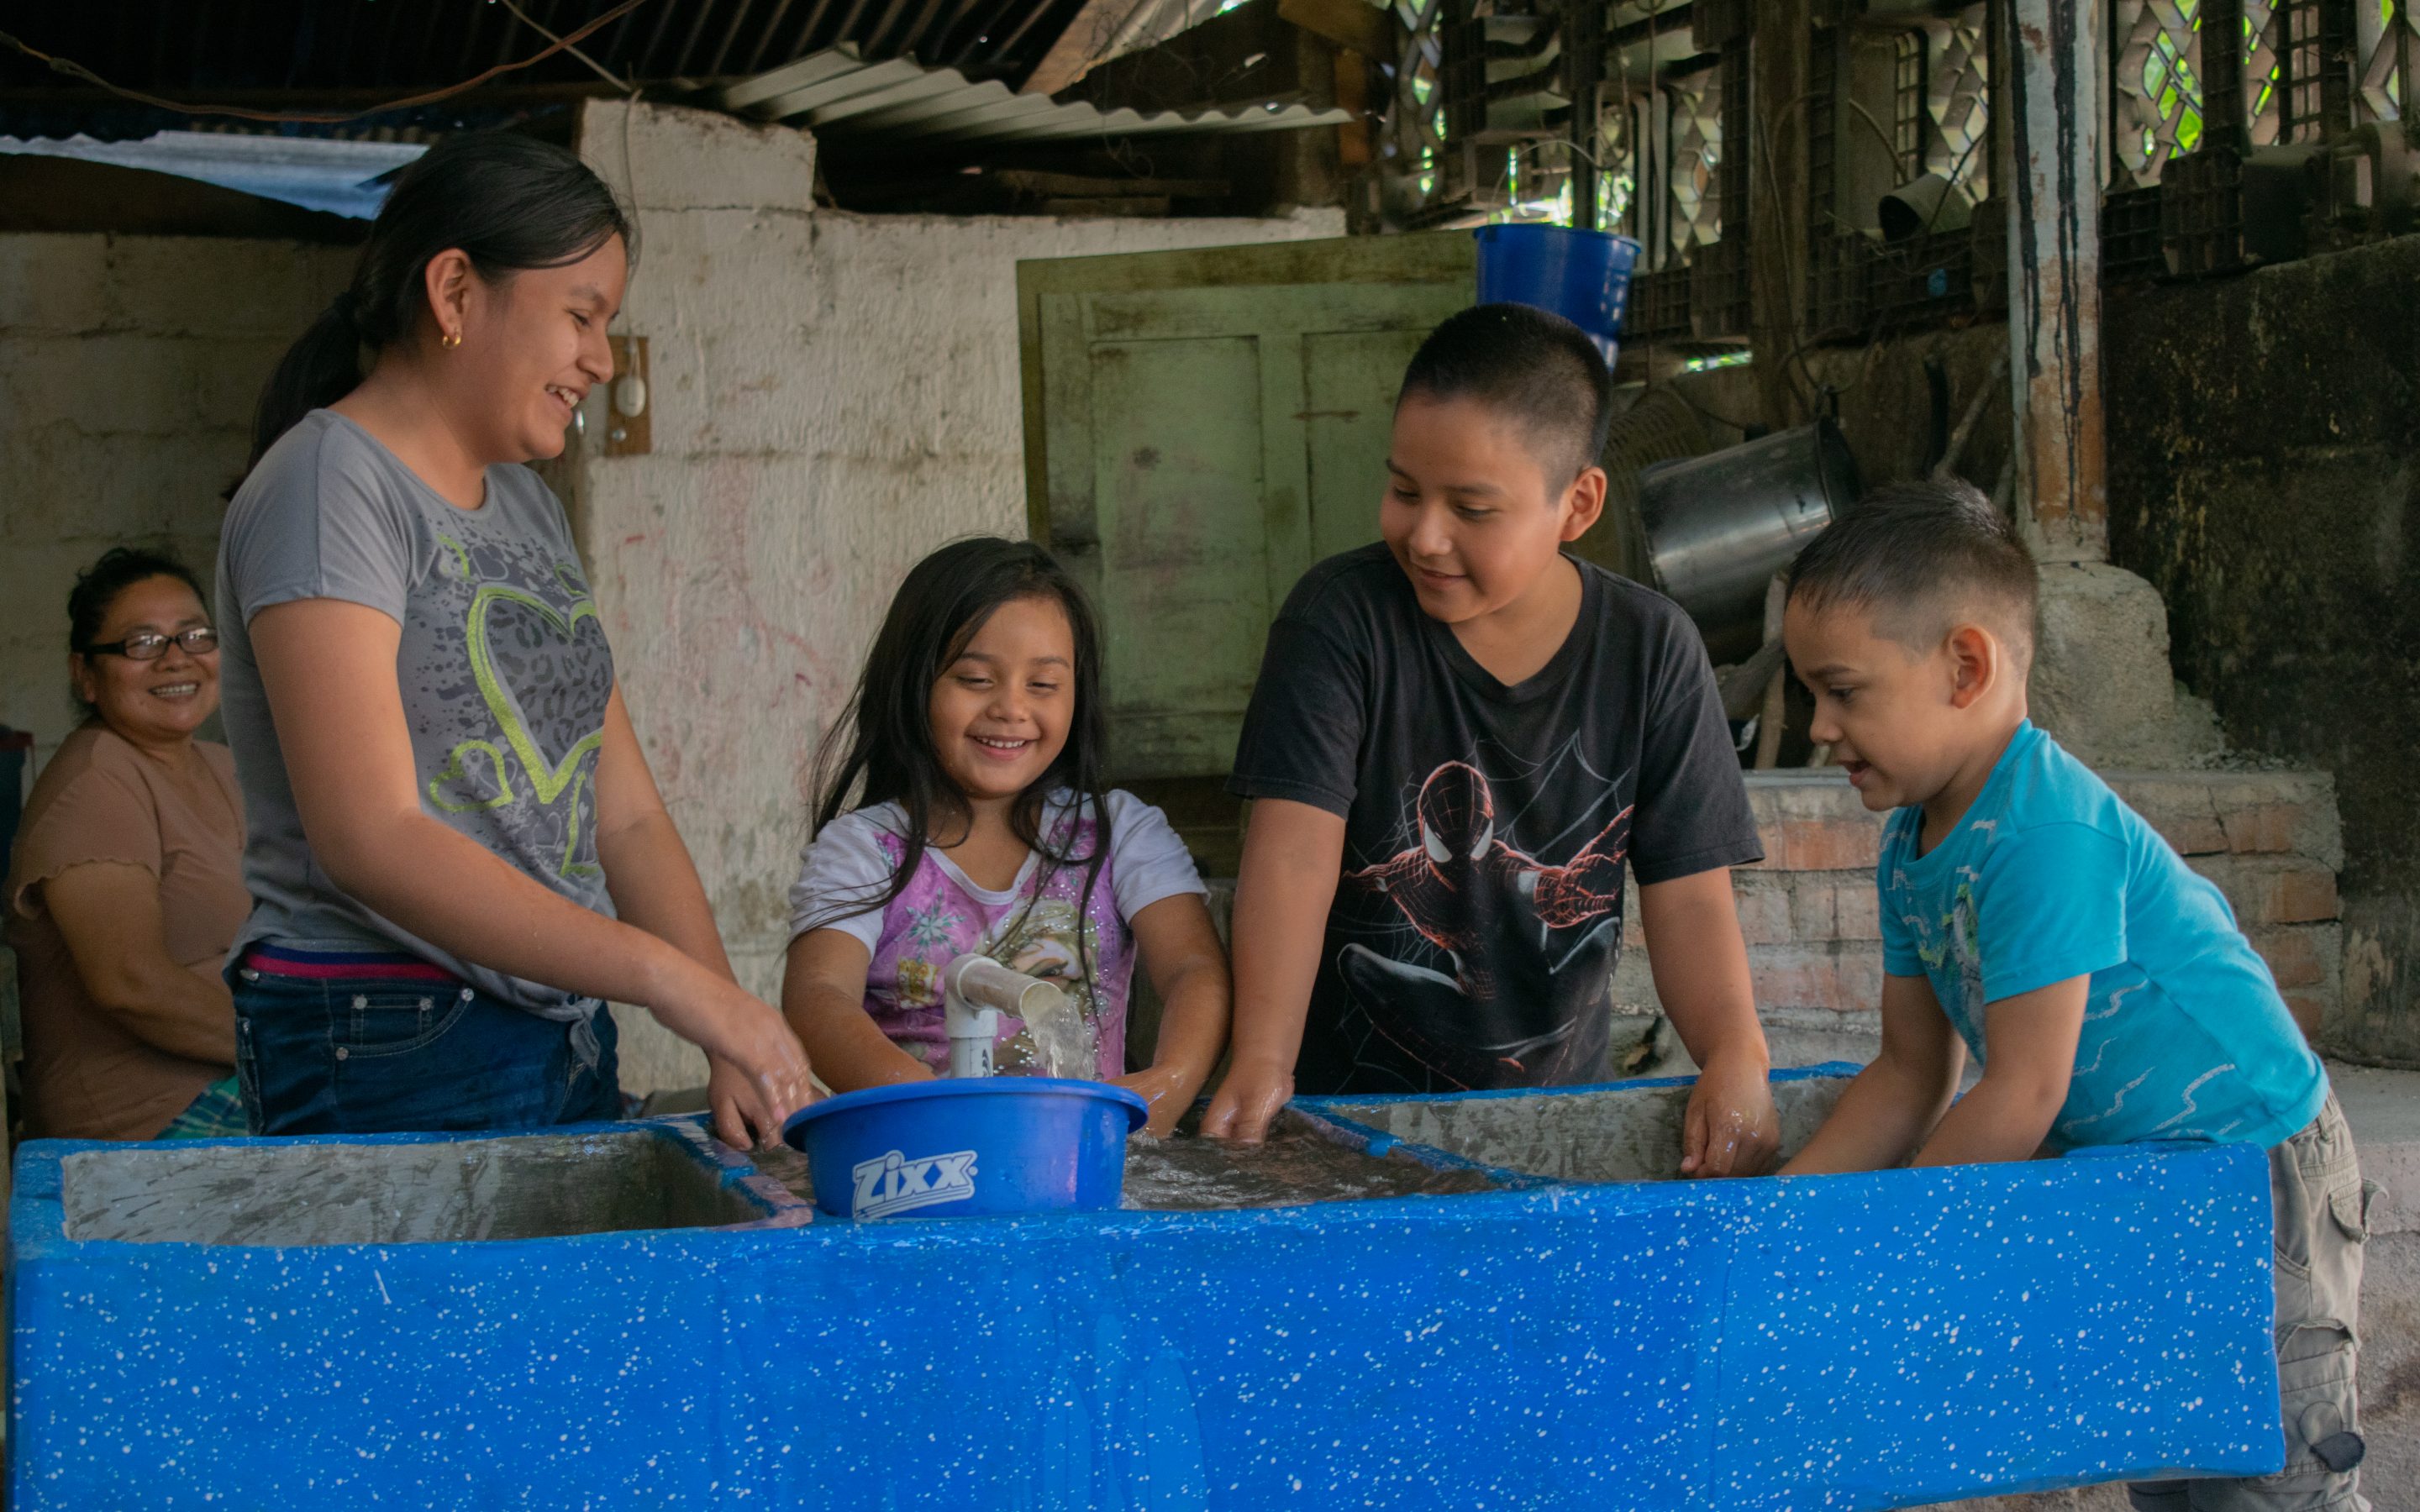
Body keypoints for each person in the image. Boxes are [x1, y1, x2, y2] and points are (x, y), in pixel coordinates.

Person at [1777, 480, 2369, 1510]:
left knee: (2269, 1480)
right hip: (2140, 1180)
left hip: (2256, 1174)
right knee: (2170, 1463)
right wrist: (1781, 1220)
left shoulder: (2045, 832)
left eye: (1843, 691)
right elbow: (1910, 1073)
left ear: (1966, 666)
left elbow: (2024, 1091)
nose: (1819, 727)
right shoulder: (1910, 844)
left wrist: (1888, 1248)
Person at [218, 131, 810, 1147]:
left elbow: (626, 818)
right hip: (387, 1028)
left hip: (557, 1024)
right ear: (454, 292)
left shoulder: (528, 509)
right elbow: (371, 837)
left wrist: (725, 1025)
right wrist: (666, 980)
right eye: (580, 315)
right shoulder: (330, 485)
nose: (602, 359)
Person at [1201, 302, 1779, 1176]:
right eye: (1404, 491)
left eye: (1472, 508)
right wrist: (1261, 1059)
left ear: (1578, 504)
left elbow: (1692, 899)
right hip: (1344, 1120)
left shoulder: (1651, 650)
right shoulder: (1340, 623)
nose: (1425, 536)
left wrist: (1737, 1053)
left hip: (1553, 1122)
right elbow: (1290, 857)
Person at [782, 538, 1230, 1137]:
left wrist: (1167, 1084)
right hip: (922, 1158)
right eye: (975, 678)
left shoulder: (1120, 833)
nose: (1011, 708)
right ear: (913, 683)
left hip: (1076, 1157)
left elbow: (1193, 970)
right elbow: (819, 995)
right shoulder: (865, 850)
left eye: (1042, 685)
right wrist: (934, 1109)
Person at [5, 549, 249, 1141]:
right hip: (148, 1118)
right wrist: (294, 1049)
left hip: (233, 1076)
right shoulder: (96, 783)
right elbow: (131, 985)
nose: (176, 658)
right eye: (142, 643)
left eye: (194, 635)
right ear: (86, 675)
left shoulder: (221, 766)